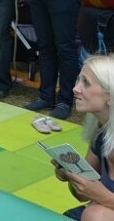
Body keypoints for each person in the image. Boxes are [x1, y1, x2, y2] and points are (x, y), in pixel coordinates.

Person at [53, 56, 114, 220]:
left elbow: (96, 201)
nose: (75, 88)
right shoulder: (101, 132)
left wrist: (102, 196)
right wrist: (70, 175)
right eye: (78, 80)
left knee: (95, 215)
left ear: (110, 95)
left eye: (85, 83)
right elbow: (82, 196)